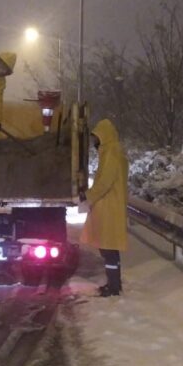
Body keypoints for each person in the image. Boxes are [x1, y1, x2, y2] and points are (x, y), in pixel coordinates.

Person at [79, 118, 129, 297]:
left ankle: (113, 287)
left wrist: (89, 196)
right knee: (109, 248)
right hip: (110, 206)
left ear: (104, 136)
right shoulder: (112, 152)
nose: (94, 141)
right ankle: (114, 284)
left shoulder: (111, 153)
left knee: (108, 249)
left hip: (109, 207)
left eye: (96, 137)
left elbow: (105, 182)